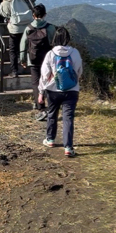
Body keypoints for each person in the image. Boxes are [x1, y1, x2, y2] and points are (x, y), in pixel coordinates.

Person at [38, 27, 83, 157]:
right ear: (68, 38)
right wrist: (73, 82)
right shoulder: (75, 53)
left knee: (52, 114)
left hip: (53, 90)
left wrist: (41, 92)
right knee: (68, 118)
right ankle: (68, 147)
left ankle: (50, 139)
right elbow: (79, 71)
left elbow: (44, 75)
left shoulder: (50, 54)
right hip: (72, 90)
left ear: (55, 39)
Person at [20, 4, 55, 114]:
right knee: (48, 81)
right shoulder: (50, 28)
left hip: (33, 59)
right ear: (45, 14)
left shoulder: (28, 28)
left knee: (35, 83)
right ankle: (51, 104)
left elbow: (23, 45)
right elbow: (55, 44)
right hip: (47, 60)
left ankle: (40, 106)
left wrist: (23, 60)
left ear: (33, 15)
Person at [0, 0, 35, 83]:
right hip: (26, 28)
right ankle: (27, 65)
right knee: (24, 47)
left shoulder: (6, 2)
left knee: (13, 50)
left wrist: (2, 1)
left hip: (14, 29)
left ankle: (14, 71)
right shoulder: (20, 0)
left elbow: (4, 13)